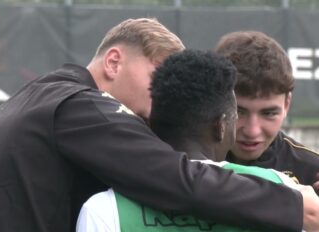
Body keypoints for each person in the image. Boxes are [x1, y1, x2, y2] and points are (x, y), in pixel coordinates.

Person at [0, 18, 318, 232]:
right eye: (156, 78)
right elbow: (175, 176)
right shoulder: (77, 105)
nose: (162, 95)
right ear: (114, 62)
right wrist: (290, 204)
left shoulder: (40, 97)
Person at [76, 49, 304, 232]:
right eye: (237, 116)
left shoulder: (104, 208)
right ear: (221, 126)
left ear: (151, 123)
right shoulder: (283, 192)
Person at [215, 31, 319, 188]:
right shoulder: (181, 163)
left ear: (286, 105)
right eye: (238, 112)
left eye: (269, 114)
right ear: (214, 100)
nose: (252, 131)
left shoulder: (311, 172)